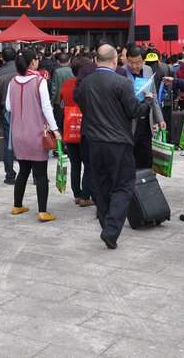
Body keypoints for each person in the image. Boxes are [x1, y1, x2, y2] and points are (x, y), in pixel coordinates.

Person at [74, 44, 154, 249]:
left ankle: (106, 226)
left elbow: (79, 101)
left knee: (100, 186)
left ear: (95, 60)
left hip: (93, 141)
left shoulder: (85, 82)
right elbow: (134, 111)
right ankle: (110, 230)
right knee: (124, 185)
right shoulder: (122, 82)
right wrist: (148, 102)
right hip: (118, 142)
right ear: (115, 60)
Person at [6, 49, 60, 222]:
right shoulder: (39, 81)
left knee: (23, 171)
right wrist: (55, 129)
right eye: (36, 59)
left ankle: (17, 205)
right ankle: (43, 211)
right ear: (32, 62)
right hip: (36, 134)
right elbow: (46, 107)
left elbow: (8, 107)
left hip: (18, 134)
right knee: (41, 174)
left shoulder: (12, 81)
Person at [123, 45, 164, 169]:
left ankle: (146, 178)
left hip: (146, 119)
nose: (134, 66)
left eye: (138, 63)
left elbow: (154, 95)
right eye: (131, 62)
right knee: (131, 157)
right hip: (130, 120)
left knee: (146, 155)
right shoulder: (122, 72)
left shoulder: (148, 70)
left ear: (144, 61)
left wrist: (160, 119)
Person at [60, 56, 93, 206]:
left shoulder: (66, 84)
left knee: (75, 164)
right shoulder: (88, 84)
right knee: (88, 163)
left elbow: (61, 104)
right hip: (86, 127)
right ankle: (86, 196)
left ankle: (77, 194)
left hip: (69, 127)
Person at [0, 46, 19, 185]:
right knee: (29, 140)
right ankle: (35, 174)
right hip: (24, 108)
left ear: (2, 58)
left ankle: (10, 174)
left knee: (9, 143)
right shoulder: (23, 71)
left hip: (6, 110)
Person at [51, 53, 74, 134]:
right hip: (70, 100)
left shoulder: (57, 71)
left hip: (59, 100)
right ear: (69, 61)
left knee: (59, 121)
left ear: (58, 61)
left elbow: (54, 88)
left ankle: (60, 138)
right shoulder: (72, 70)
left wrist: (52, 102)